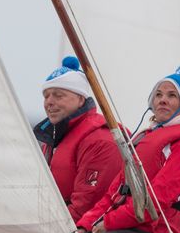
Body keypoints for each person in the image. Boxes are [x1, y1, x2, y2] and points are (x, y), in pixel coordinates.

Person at [42, 65, 180, 233]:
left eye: (172, 95)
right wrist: (84, 226)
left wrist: (108, 223)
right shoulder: (146, 139)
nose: (162, 100)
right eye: (158, 94)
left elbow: (155, 201)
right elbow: (113, 193)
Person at [33, 56, 123, 223]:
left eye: (58, 96)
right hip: (50, 224)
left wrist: (42, 230)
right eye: (46, 96)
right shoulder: (54, 137)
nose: (49, 102)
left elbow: (87, 205)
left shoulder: (100, 140)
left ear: (81, 99)